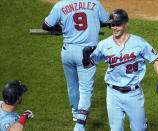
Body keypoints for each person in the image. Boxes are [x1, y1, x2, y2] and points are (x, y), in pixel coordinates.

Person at [82, 9, 158, 131]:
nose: (114, 27)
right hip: (113, 94)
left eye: (118, 24)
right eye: (112, 25)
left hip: (134, 93)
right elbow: (88, 65)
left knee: (139, 129)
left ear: (125, 23)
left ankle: (143, 124)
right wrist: (85, 58)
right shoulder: (103, 45)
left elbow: (155, 59)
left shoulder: (139, 42)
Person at [42, 0, 109, 130]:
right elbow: (106, 22)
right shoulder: (94, 3)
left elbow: (46, 25)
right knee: (85, 89)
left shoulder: (60, 5)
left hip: (67, 52)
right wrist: (93, 22)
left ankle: (75, 112)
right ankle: (79, 125)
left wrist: (58, 29)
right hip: (87, 53)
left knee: (72, 85)